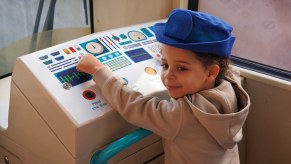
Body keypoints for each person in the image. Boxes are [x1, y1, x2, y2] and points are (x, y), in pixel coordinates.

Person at [77, 8, 250, 164]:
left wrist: (98, 70)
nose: (168, 76)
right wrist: (175, 59)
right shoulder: (231, 84)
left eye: (182, 68)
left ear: (211, 72)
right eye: (165, 65)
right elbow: (227, 68)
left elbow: (133, 105)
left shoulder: (182, 116)